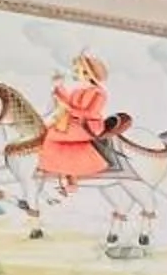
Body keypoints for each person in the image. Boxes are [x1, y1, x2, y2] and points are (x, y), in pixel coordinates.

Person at [33, 54, 111, 190]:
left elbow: (91, 113)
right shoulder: (78, 90)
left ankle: (70, 176)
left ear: (88, 74)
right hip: (73, 123)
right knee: (45, 131)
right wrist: (59, 87)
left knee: (50, 134)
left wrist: (69, 109)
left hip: (89, 126)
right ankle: (59, 169)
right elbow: (67, 101)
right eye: (75, 70)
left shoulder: (99, 92)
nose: (74, 73)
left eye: (77, 70)